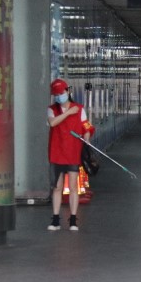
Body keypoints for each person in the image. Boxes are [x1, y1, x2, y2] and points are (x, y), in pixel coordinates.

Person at [47, 78, 94, 231]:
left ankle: (73, 219)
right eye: (56, 94)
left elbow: (87, 126)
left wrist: (86, 136)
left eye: (61, 93)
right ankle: (55, 220)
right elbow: (52, 123)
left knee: (73, 187)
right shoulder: (51, 110)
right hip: (56, 152)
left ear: (67, 91)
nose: (59, 96)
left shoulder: (79, 109)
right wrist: (68, 113)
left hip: (73, 151)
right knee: (57, 187)